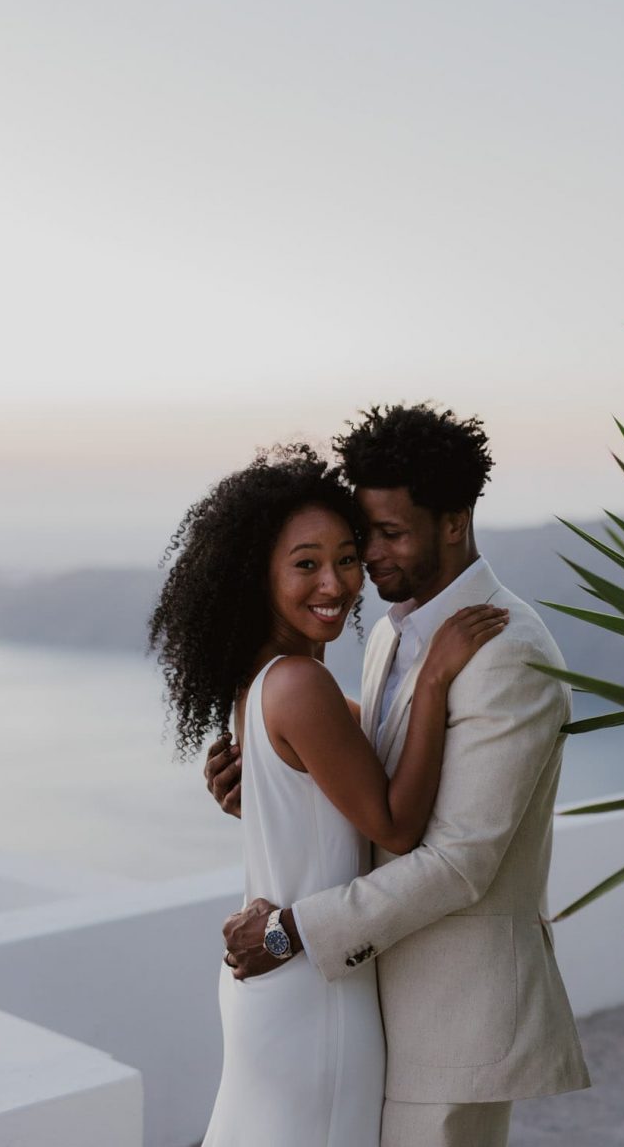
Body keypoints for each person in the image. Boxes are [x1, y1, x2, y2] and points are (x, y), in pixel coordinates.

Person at [209, 405, 590, 1147]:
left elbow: (459, 862)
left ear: (455, 520)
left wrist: (289, 933)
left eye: (390, 533)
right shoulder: (392, 633)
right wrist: (275, 779)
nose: (370, 558)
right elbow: (372, 779)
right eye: (366, 533)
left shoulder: (509, 651)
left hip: (453, 1028)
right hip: (368, 1011)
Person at [148, 444, 507, 1147]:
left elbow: (318, 804)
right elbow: (398, 826)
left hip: (284, 983)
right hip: (311, 988)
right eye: (305, 563)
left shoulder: (264, 682)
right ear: (261, 573)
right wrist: (434, 677)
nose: (336, 583)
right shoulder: (302, 686)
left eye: (347, 557)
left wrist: (254, 800)